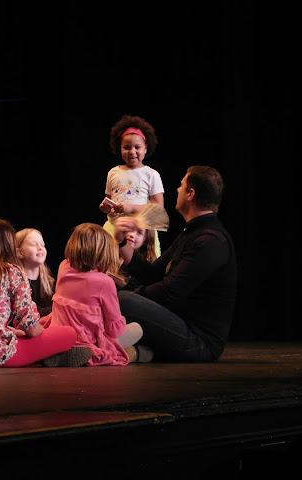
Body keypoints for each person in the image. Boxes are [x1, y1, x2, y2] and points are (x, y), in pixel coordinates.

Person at [115, 165, 237, 363]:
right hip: (179, 326)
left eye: (181, 186)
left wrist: (129, 297)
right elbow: (152, 273)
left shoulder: (210, 240)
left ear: (190, 194)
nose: (177, 190)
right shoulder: (192, 233)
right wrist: (121, 241)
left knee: (124, 300)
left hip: (199, 342)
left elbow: (169, 292)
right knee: (116, 294)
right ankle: (131, 349)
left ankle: (106, 344)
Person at [0, 218, 91, 368]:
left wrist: (11, 331)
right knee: (68, 333)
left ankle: (49, 356)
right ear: (9, 244)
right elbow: (31, 328)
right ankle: (48, 356)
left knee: (36, 330)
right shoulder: (10, 272)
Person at [43, 223, 143, 366]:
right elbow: (114, 329)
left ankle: (63, 352)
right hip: (89, 340)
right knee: (137, 329)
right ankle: (135, 353)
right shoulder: (104, 283)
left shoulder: (63, 266)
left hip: (61, 333)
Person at [99, 114, 165, 256]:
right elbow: (109, 200)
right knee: (110, 266)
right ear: (120, 148)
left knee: (145, 269)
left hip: (141, 231)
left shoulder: (151, 174)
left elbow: (159, 210)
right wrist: (105, 208)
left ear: (145, 148)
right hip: (114, 227)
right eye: (127, 147)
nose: (132, 152)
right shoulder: (113, 172)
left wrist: (131, 207)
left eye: (137, 147)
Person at [114, 203, 170, 292]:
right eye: (130, 229)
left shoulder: (147, 267)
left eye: (139, 232)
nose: (132, 235)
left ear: (145, 241)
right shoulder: (112, 256)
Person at [15, 228, 55, 317]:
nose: (40, 248)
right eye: (34, 245)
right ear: (20, 252)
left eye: (42, 245)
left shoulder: (49, 282)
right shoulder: (16, 283)